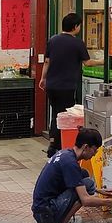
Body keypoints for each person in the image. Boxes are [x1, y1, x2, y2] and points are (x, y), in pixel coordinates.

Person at [32, 127, 112, 223]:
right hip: (46, 215)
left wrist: (100, 191)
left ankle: (63, 217)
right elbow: (86, 200)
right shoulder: (70, 163)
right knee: (81, 194)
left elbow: (74, 181)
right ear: (86, 147)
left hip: (43, 210)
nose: (95, 154)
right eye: (94, 150)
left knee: (84, 176)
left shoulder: (66, 154)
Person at [40, 13, 99, 158]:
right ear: (75, 26)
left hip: (52, 85)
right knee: (66, 116)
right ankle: (62, 146)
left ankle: (53, 144)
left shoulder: (52, 40)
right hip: (66, 86)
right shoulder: (77, 43)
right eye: (79, 25)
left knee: (56, 114)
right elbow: (87, 62)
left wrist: (43, 78)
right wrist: (104, 60)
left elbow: (47, 62)